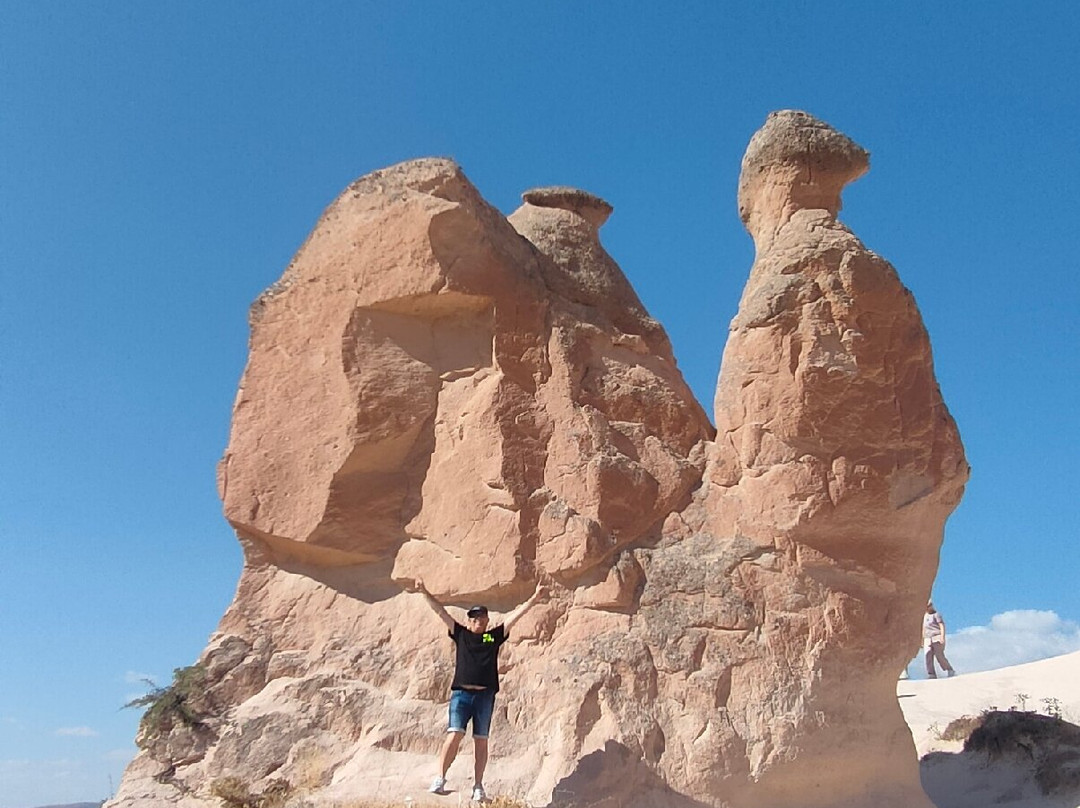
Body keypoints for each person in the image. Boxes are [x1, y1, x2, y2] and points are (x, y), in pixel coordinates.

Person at [412, 578, 547, 802]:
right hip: (461, 695)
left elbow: (513, 619)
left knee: (481, 740)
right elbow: (440, 612)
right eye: (475, 618)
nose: (478, 621)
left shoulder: (490, 637)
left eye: (482, 618)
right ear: (469, 620)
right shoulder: (461, 634)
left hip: (484, 696)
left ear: (486, 621)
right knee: (454, 734)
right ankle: (440, 778)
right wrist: (424, 591)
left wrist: (534, 599)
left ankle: (477, 786)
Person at [923, 601, 956, 678]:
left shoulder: (936, 614)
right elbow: (923, 628)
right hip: (927, 637)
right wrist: (922, 638)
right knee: (928, 656)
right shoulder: (924, 616)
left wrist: (942, 636)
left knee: (939, 655)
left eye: (929, 606)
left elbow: (941, 625)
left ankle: (949, 669)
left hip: (936, 636)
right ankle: (931, 674)